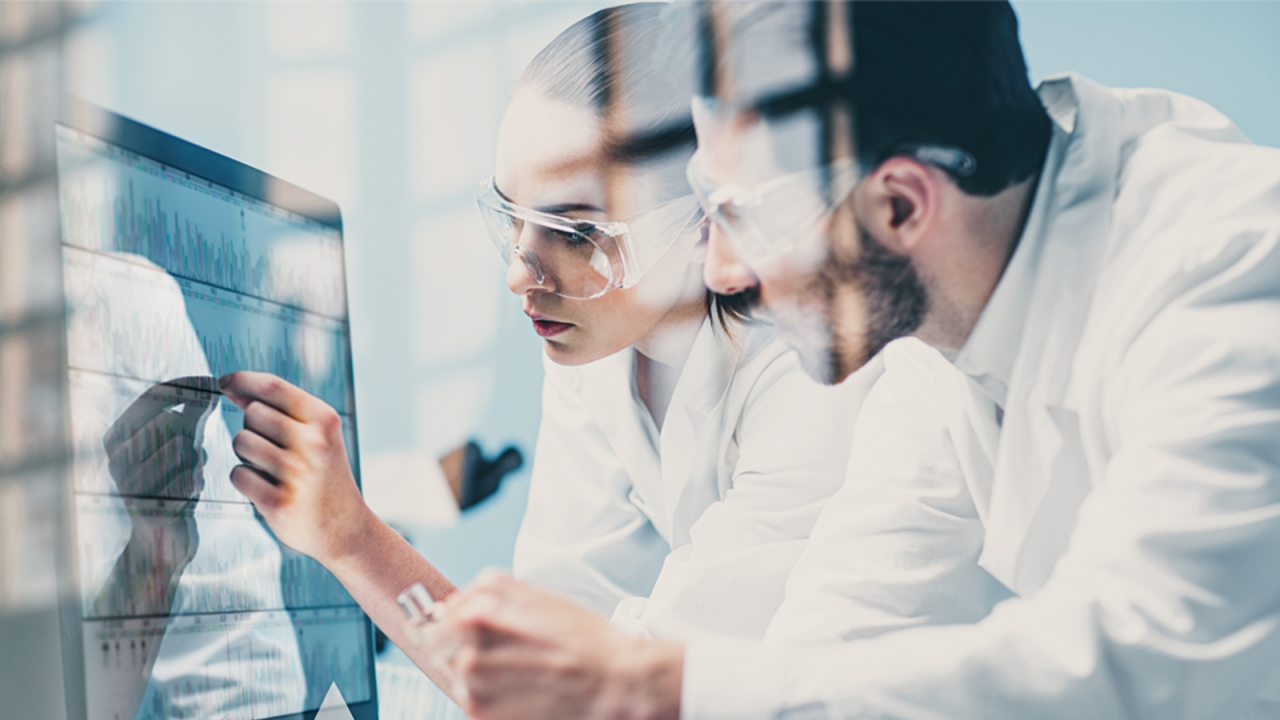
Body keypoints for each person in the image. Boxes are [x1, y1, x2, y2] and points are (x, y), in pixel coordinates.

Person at [415, 2, 1280, 719]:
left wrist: (653, 684)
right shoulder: (938, 331)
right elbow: (841, 640)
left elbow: (1147, 656)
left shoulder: (1228, 263)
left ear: (900, 202)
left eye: (745, 216)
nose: (724, 274)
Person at [219, 1, 872, 688]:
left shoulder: (811, 377)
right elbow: (558, 630)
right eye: (512, 219)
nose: (518, 276)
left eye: (577, 234)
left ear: (709, 221)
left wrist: (351, 538)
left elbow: (595, 692)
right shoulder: (598, 345)